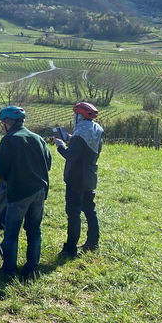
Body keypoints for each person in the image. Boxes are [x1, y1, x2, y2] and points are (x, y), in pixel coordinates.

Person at [0, 106, 52, 279]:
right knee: (35, 231)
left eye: (2, 123)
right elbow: (47, 163)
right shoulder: (38, 138)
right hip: (39, 190)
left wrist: (9, 180)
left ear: (6, 123)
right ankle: (30, 269)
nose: (2, 127)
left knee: (11, 233)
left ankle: (9, 271)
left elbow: (1, 168)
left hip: (19, 192)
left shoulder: (9, 140)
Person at [54, 102, 103, 257]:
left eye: (75, 115)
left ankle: (70, 249)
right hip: (90, 175)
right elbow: (86, 148)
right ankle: (93, 242)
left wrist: (60, 145)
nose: (74, 117)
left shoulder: (80, 133)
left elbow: (70, 155)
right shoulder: (96, 129)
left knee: (73, 212)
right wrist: (71, 139)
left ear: (79, 116)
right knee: (90, 209)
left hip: (76, 178)